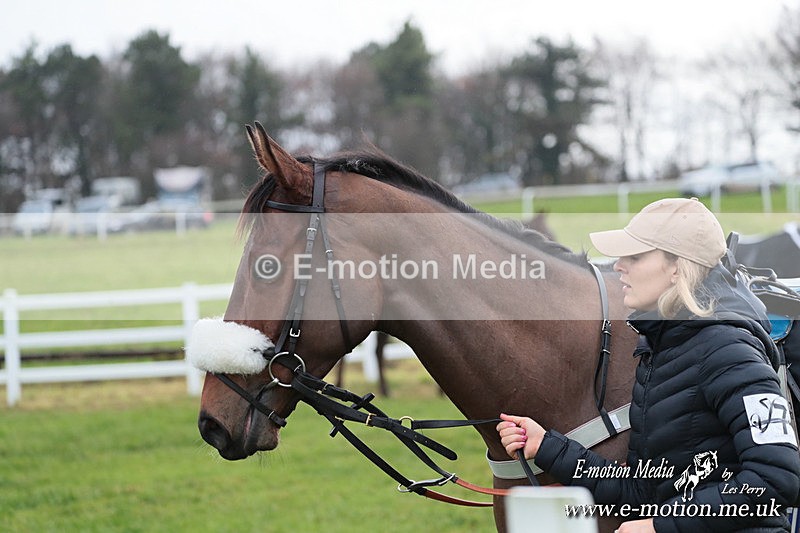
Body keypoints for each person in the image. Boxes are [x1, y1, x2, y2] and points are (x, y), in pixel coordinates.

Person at [497, 198, 800, 532]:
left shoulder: (730, 351)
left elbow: (774, 481)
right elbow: (643, 490)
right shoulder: (660, 349)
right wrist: (547, 446)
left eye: (635, 257)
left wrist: (660, 526)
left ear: (676, 268)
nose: (618, 266)